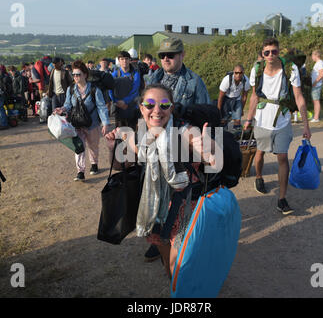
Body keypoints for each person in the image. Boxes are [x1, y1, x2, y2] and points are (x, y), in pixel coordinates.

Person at [105, 84, 219, 279]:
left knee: (181, 265)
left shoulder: (183, 130)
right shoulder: (139, 134)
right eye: (149, 104)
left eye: (164, 104)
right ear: (141, 108)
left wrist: (207, 147)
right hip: (156, 209)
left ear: (171, 108)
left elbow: (206, 149)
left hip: (185, 209)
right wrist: (111, 147)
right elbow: (120, 165)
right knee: (168, 264)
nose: (156, 110)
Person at [146, 38, 211, 262]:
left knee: (181, 201)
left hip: (184, 154)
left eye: (171, 55)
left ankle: (179, 247)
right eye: (162, 55)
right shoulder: (154, 78)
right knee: (157, 196)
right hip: (157, 149)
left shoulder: (194, 82)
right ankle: (158, 240)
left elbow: (208, 115)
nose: (165, 58)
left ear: (182, 55)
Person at [243, 37, 311, 215]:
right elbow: (254, 97)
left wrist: (306, 125)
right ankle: (258, 176)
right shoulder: (257, 70)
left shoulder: (290, 69)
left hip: (282, 119)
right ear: (263, 55)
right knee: (260, 152)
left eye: (274, 51)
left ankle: (282, 199)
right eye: (267, 52)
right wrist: (249, 120)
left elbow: (298, 96)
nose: (271, 55)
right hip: (263, 120)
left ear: (278, 52)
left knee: (282, 157)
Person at [53, 60, 110, 181]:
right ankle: (80, 171)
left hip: (92, 123)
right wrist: (61, 109)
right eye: (73, 75)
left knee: (93, 145)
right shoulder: (71, 89)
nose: (75, 77)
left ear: (85, 74)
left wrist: (105, 123)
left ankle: (94, 164)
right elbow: (68, 104)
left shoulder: (95, 90)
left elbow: (101, 107)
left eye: (78, 74)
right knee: (79, 147)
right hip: (77, 124)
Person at [109, 51, 141, 130]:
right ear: (118, 61)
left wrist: (125, 102)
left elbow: (135, 91)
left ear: (130, 60)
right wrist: (116, 101)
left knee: (132, 133)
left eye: (126, 59)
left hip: (132, 108)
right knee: (119, 134)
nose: (124, 61)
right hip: (119, 108)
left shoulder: (135, 74)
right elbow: (110, 90)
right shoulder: (115, 74)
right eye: (122, 59)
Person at [217, 64, 250, 130]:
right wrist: (218, 110)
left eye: (240, 73)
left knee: (237, 120)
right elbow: (220, 97)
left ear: (243, 73)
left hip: (237, 99)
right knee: (223, 120)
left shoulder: (246, 81)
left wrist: (241, 110)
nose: (238, 75)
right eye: (236, 73)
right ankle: (221, 137)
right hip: (226, 99)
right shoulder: (226, 80)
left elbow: (244, 96)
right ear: (233, 72)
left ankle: (236, 135)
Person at [310, 50, 323, 122]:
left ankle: (316, 118)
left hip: (317, 85)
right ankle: (315, 116)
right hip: (315, 85)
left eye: (312, 56)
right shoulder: (317, 63)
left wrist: (315, 82)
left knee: (316, 101)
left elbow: (321, 74)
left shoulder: (320, 63)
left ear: (316, 55)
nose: (312, 57)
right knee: (315, 100)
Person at [0, 65, 12, 129]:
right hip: (5, 94)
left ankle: (4, 124)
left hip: (2, 95)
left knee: (1, 109)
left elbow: (2, 87)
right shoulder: (6, 76)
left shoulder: (2, 77)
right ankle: (4, 122)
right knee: (3, 109)